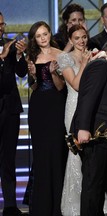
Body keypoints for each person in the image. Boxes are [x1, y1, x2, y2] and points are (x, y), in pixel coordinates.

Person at [58, 24, 107, 216]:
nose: (81, 41)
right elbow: (76, 84)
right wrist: (83, 65)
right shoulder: (64, 58)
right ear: (70, 40)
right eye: (77, 38)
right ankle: (75, 203)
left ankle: (95, 200)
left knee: (92, 154)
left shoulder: (95, 52)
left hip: (93, 108)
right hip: (74, 106)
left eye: (83, 37)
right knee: (76, 154)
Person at [70, 36, 107, 216]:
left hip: (104, 136)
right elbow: (88, 98)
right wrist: (83, 128)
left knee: (99, 185)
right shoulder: (101, 65)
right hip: (95, 133)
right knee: (93, 185)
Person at [26, 21, 68, 216]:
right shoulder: (32, 56)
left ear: (50, 33)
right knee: (42, 157)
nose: (43, 38)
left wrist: (53, 73)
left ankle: (58, 206)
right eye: (39, 36)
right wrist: (33, 76)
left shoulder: (60, 55)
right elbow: (33, 86)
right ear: (34, 39)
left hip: (57, 106)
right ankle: (41, 206)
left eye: (45, 34)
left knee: (57, 153)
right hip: (38, 108)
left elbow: (61, 87)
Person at [0, 12, 28, 216]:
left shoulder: (10, 45)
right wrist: (1, 58)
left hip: (10, 110)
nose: (1, 27)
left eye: (2, 24)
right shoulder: (4, 51)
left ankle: (10, 205)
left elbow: (20, 73)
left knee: (9, 159)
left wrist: (20, 56)